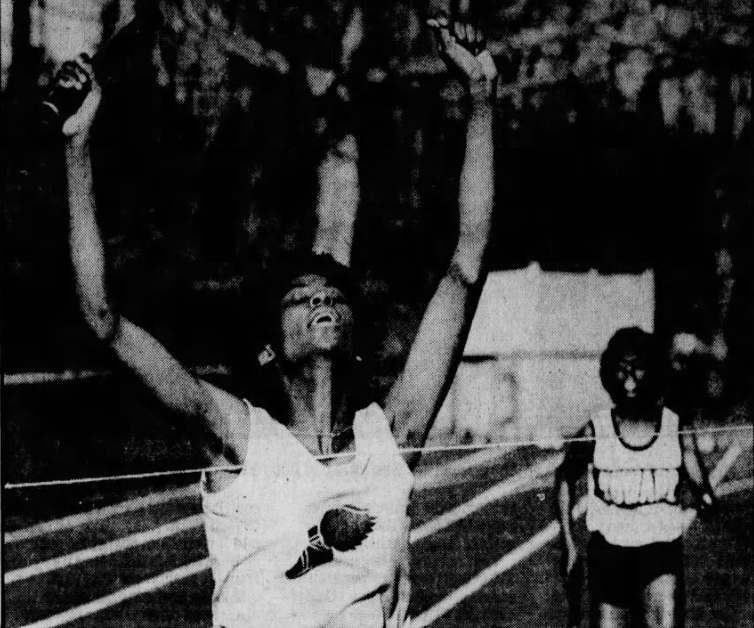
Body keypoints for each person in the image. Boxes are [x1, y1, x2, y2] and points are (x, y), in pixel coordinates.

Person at [58, 15, 497, 628]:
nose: (322, 301)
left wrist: (480, 99)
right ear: (268, 349)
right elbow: (102, 319)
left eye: (334, 296)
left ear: (357, 337)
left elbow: (465, 267)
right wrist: (77, 148)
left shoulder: (392, 433)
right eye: (301, 296)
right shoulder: (238, 438)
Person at [555, 327, 717, 628]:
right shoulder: (595, 431)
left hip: (659, 552)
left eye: (638, 367)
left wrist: (705, 500)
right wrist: (569, 543)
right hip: (610, 554)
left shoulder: (675, 428)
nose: (629, 377)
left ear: (653, 370)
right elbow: (564, 478)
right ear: (609, 374)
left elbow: (701, 487)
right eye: (621, 368)